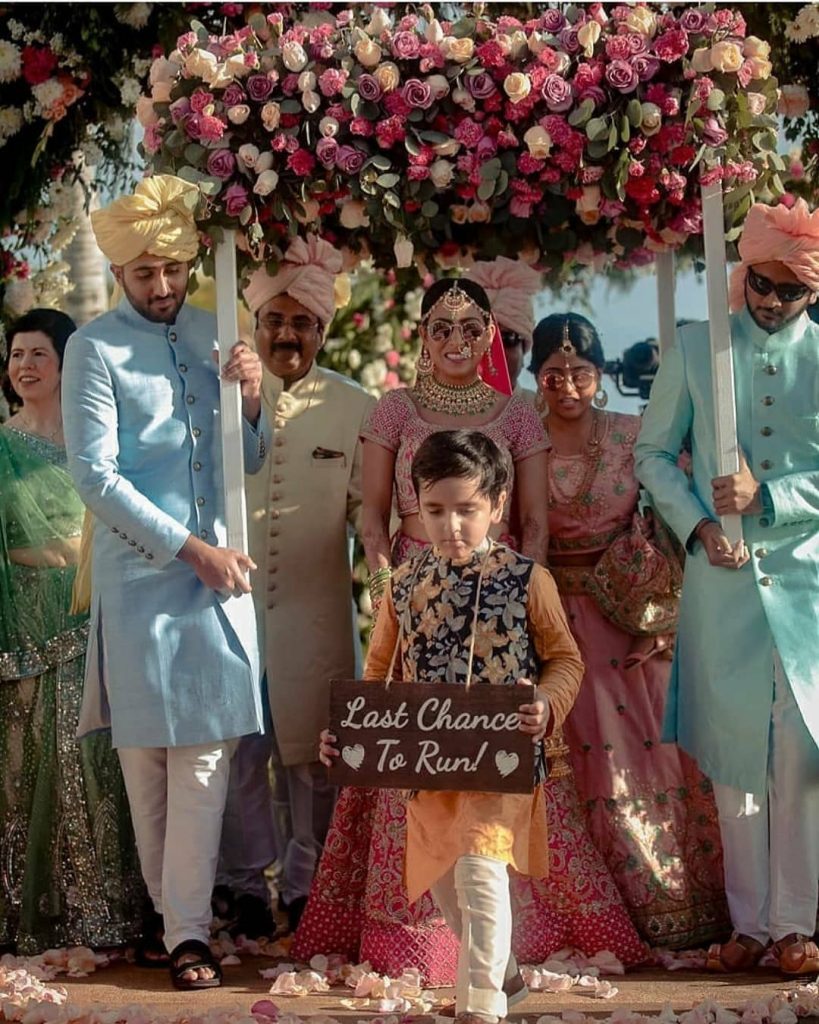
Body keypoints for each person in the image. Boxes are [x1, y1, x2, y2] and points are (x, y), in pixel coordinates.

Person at [293, 278, 647, 980]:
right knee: (416, 779)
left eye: (470, 327)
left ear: (490, 333)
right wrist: (383, 581)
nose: (455, 341)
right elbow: (370, 514)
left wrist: (515, 597)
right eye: (440, 328)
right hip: (415, 602)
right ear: (421, 335)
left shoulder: (517, 413)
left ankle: (495, 968)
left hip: (496, 608)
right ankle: (434, 948)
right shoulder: (394, 409)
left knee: (495, 775)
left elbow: (536, 524)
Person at [61, 175, 269, 989]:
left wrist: (252, 398)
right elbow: (96, 477)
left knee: (208, 759)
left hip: (220, 582)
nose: (161, 287)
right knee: (150, 766)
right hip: (145, 580)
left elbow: (245, 463)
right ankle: (174, 920)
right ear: (118, 273)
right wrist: (190, 550)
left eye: (173, 270)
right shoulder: (94, 348)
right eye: (144, 273)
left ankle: (187, 933)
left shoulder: (220, 332)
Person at [321, 430, 584, 1024]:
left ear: (497, 503)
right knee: (446, 877)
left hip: (501, 759)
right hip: (427, 764)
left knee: (480, 870)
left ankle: (481, 1007)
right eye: (435, 510)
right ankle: (507, 975)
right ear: (414, 502)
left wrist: (546, 703)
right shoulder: (405, 586)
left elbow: (566, 658)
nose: (451, 525)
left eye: (466, 510)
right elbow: (380, 671)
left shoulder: (526, 579)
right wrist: (352, 732)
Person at [634, 198, 819, 975]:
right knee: (738, 755)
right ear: (741, 275)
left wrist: (769, 501)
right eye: (761, 287)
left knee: (802, 757)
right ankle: (748, 923)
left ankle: (795, 925)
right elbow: (651, 455)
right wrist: (703, 526)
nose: (772, 303)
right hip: (722, 581)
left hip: (809, 586)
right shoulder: (695, 346)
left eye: (791, 291)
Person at [529, 312, 729, 949]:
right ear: (536, 376)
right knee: (569, 762)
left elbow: (677, 509)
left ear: (601, 374)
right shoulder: (518, 441)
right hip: (549, 622)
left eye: (580, 372)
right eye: (554, 372)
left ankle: (678, 909)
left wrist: (672, 615)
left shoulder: (633, 436)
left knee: (648, 758)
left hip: (628, 624)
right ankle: (590, 917)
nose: (567, 385)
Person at [214, 237, 375, 936]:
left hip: (316, 611)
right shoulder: (219, 396)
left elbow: (369, 515)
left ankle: (312, 885)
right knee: (242, 755)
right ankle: (245, 886)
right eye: (274, 320)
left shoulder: (356, 407)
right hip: (228, 611)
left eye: (302, 321)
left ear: (324, 328)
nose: (286, 333)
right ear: (253, 325)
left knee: (317, 760)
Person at [0, 309, 144, 954]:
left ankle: (104, 911)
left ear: (68, 365)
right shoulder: (1, 447)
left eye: (39, 354)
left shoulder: (100, 448)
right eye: (16, 355)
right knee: (27, 767)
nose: (25, 365)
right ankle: (36, 913)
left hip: (97, 614)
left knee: (98, 761)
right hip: (26, 617)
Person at [466, 256, 540, 402]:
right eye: (482, 339)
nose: (494, 350)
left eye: (508, 339)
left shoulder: (545, 414)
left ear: (524, 351)